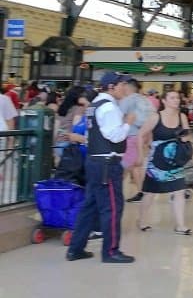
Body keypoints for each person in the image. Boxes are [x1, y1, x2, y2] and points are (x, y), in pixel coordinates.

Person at [66, 71, 136, 263]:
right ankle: (111, 251)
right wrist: (128, 123)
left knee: (90, 207)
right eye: (122, 84)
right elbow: (115, 136)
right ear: (111, 87)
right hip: (107, 165)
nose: (125, 88)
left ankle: (76, 248)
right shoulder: (109, 108)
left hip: (94, 162)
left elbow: (92, 136)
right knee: (112, 208)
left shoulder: (94, 106)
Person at [137, 90, 192, 235]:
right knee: (150, 192)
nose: (176, 100)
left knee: (179, 191)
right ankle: (142, 220)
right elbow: (140, 134)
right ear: (164, 101)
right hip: (157, 163)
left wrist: (184, 138)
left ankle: (180, 225)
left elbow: (186, 136)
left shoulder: (182, 117)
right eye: (172, 98)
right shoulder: (156, 117)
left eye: (177, 98)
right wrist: (140, 154)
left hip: (175, 161)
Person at [120, 79, 156, 203]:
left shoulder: (127, 100)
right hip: (143, 136)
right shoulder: (145, 100)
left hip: (131, 136)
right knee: (135, 166)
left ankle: (115, 190)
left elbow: (119, 116)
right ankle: (141, 192)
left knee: (124, 166)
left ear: (128, 87)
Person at [55, 86, 87, 161]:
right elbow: (75, 127)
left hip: (59, 144)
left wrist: (54, 148)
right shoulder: (79, 108)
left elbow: (56, 128)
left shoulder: (62, 108)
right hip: (69, 144)